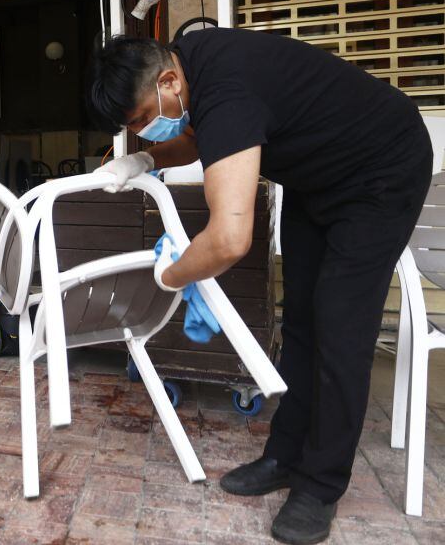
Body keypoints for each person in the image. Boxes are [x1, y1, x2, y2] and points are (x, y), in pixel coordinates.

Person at [88, 28, 431, 545]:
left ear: (167, 80)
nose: (140, 132)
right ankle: (285, 455)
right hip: (319, 176)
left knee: (339, 330)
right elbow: (201, 142)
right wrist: (143, 161)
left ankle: (319, 485)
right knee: (300, 322)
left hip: (381, 169)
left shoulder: (227, 89)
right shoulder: (192, 67)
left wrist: (168, 277)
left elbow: (228, 239)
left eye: (140, 121)